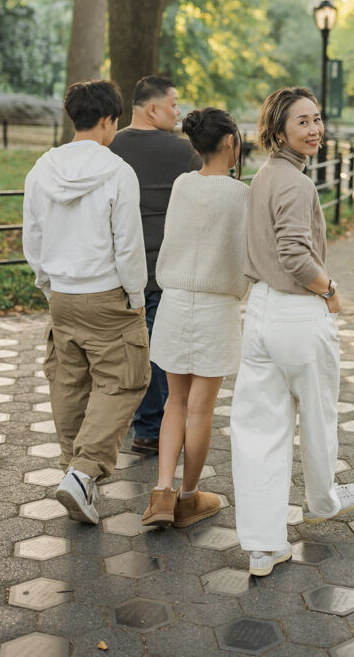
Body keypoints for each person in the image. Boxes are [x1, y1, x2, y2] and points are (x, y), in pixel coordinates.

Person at [230, 86, 354, 577]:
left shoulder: (264, 175)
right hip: (297, 312)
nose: (315, 129)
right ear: (279, 129)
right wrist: (329, 289)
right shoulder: (297, 184)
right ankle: (324, 500)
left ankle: (264, 548)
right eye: (302, 122)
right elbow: (293, 253)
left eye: (317, 119)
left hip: (262, 312)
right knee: (318, 416)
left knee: (261, 431)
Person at [23, 80, 150, 525]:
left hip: (62, 296)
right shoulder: (117, 171)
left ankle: (75, 478)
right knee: (125, 381)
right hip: (107, 295)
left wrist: (48, 285)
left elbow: (32, 238)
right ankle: (81, 473)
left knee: (69, 384)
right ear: (107, 120)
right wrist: (135, 296)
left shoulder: (41, 169)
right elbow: (128, 246)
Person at [141, 108, 249, 529]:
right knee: (201, 410)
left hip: (174, 301)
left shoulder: (183, 185)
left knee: (174, 404)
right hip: (216, 307)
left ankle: (161, 493)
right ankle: (188, 498)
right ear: (229, 143)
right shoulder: (242, 195)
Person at [110, 75, 202, 455]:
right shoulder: (182, 152)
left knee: (128, 350)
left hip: (117, 269)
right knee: (161, 353)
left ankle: (140, 424)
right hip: (165, 268)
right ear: (152, 108)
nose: (178, 112)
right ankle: (153, 428)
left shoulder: (109, 146)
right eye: (174, 104)